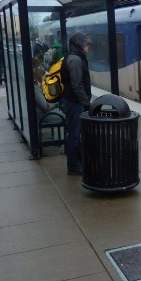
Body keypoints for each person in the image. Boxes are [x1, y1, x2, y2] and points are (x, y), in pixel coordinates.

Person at [61, 32, 92, 175]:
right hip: (74, 103)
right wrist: (86, 102)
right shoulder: (75, 60)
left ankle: (78, 162)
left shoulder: (76, 57)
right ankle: (74, 167)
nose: (88, 46)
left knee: (75, 134)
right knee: (74, 135)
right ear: (79, 45)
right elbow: (77, 85)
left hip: (74, 102)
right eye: (86, 44)